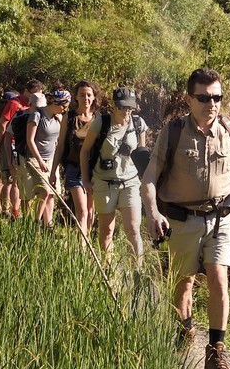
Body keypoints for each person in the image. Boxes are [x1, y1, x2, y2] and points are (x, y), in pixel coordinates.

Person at [142, 68, 230, 369]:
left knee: (219, 277)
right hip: (182, 219)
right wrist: (152, 213)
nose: (211, 103)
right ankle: (184, 329)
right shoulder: (173, 132)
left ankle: (216, 350)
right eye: (204, 97)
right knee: (183, 284)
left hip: (221, 218)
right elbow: (150, 177)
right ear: (190, 99)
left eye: (217, 97)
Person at [82, 86, 149, 261]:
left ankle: (138, 272)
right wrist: (85, 179)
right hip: (104, 182)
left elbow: (142, 154)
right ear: (114, 105)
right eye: (122, 107)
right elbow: (85, 151)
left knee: (134, 229)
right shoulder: (101, 123)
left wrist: (147, 183)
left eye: (129, 107)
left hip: (130, 182)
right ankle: (108, 269)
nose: (126, 111)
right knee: (106, 230)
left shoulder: (138, 124)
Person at [56, 81, 99, 235]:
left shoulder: (98, 119)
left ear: (94, 97)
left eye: (89, 95)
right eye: (82, 95)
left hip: (93, 169)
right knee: (82, 210)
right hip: (73, 168)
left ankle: (86, 244)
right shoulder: (68, 117)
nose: (85, 98)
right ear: (76, 97)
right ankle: (82, 246)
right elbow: (60, 145)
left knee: (90, 209)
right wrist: (53, 170)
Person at [18, 89, 66, 226]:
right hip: (35, 159)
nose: (64, 109)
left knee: (51, 193)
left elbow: (57, 140)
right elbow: (30, 140)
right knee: (44, 190)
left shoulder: (58, 118)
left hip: (51, 159)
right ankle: (36, 222)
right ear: (56, 103)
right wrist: (39, 160)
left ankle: (48, 223)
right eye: (63, 105)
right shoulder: (36, 115)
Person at [0, 82, 40, 218]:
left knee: (18, 180)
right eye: (33, 93)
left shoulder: (33, 106)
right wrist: (1, 145)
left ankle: (14, 210)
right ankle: (10, 210)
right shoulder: (15, 103)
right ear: (26, 91)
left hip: (23, 146)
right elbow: (2, 125)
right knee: (11, 179)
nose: (35, 96)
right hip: (12, 144)